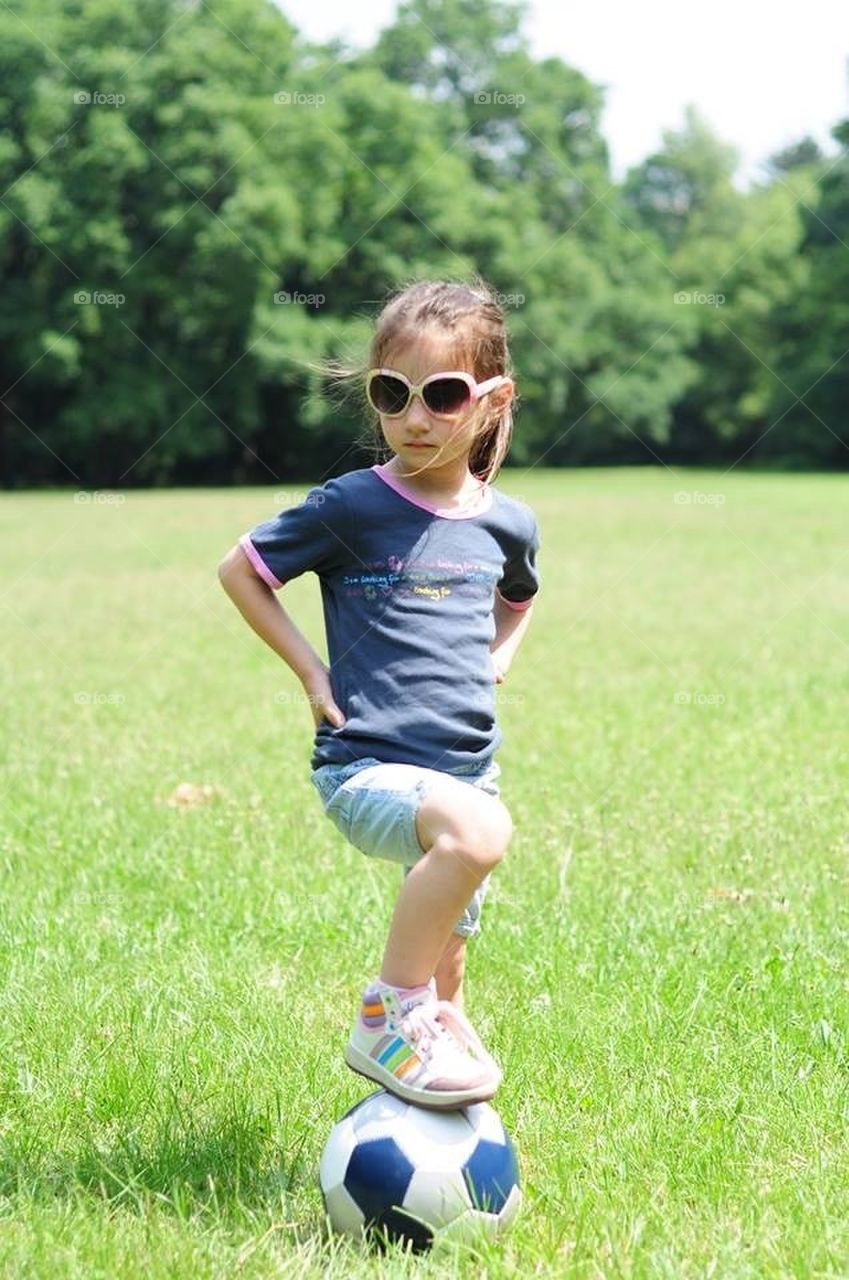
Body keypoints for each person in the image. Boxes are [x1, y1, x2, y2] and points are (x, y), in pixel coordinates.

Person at [218, 278, 541, 1110]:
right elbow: (243, 571)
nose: (414, 417)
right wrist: (310, 671)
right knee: (478, 836)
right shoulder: (353, 505)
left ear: (491, 400)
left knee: (453, 956)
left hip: (466, 767)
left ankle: (436, 1088)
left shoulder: (507, 521)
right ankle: (384, 1018)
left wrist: (500, 654)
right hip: (366, 769)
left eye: (441, 395)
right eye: (392, 394)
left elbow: (520, 596)